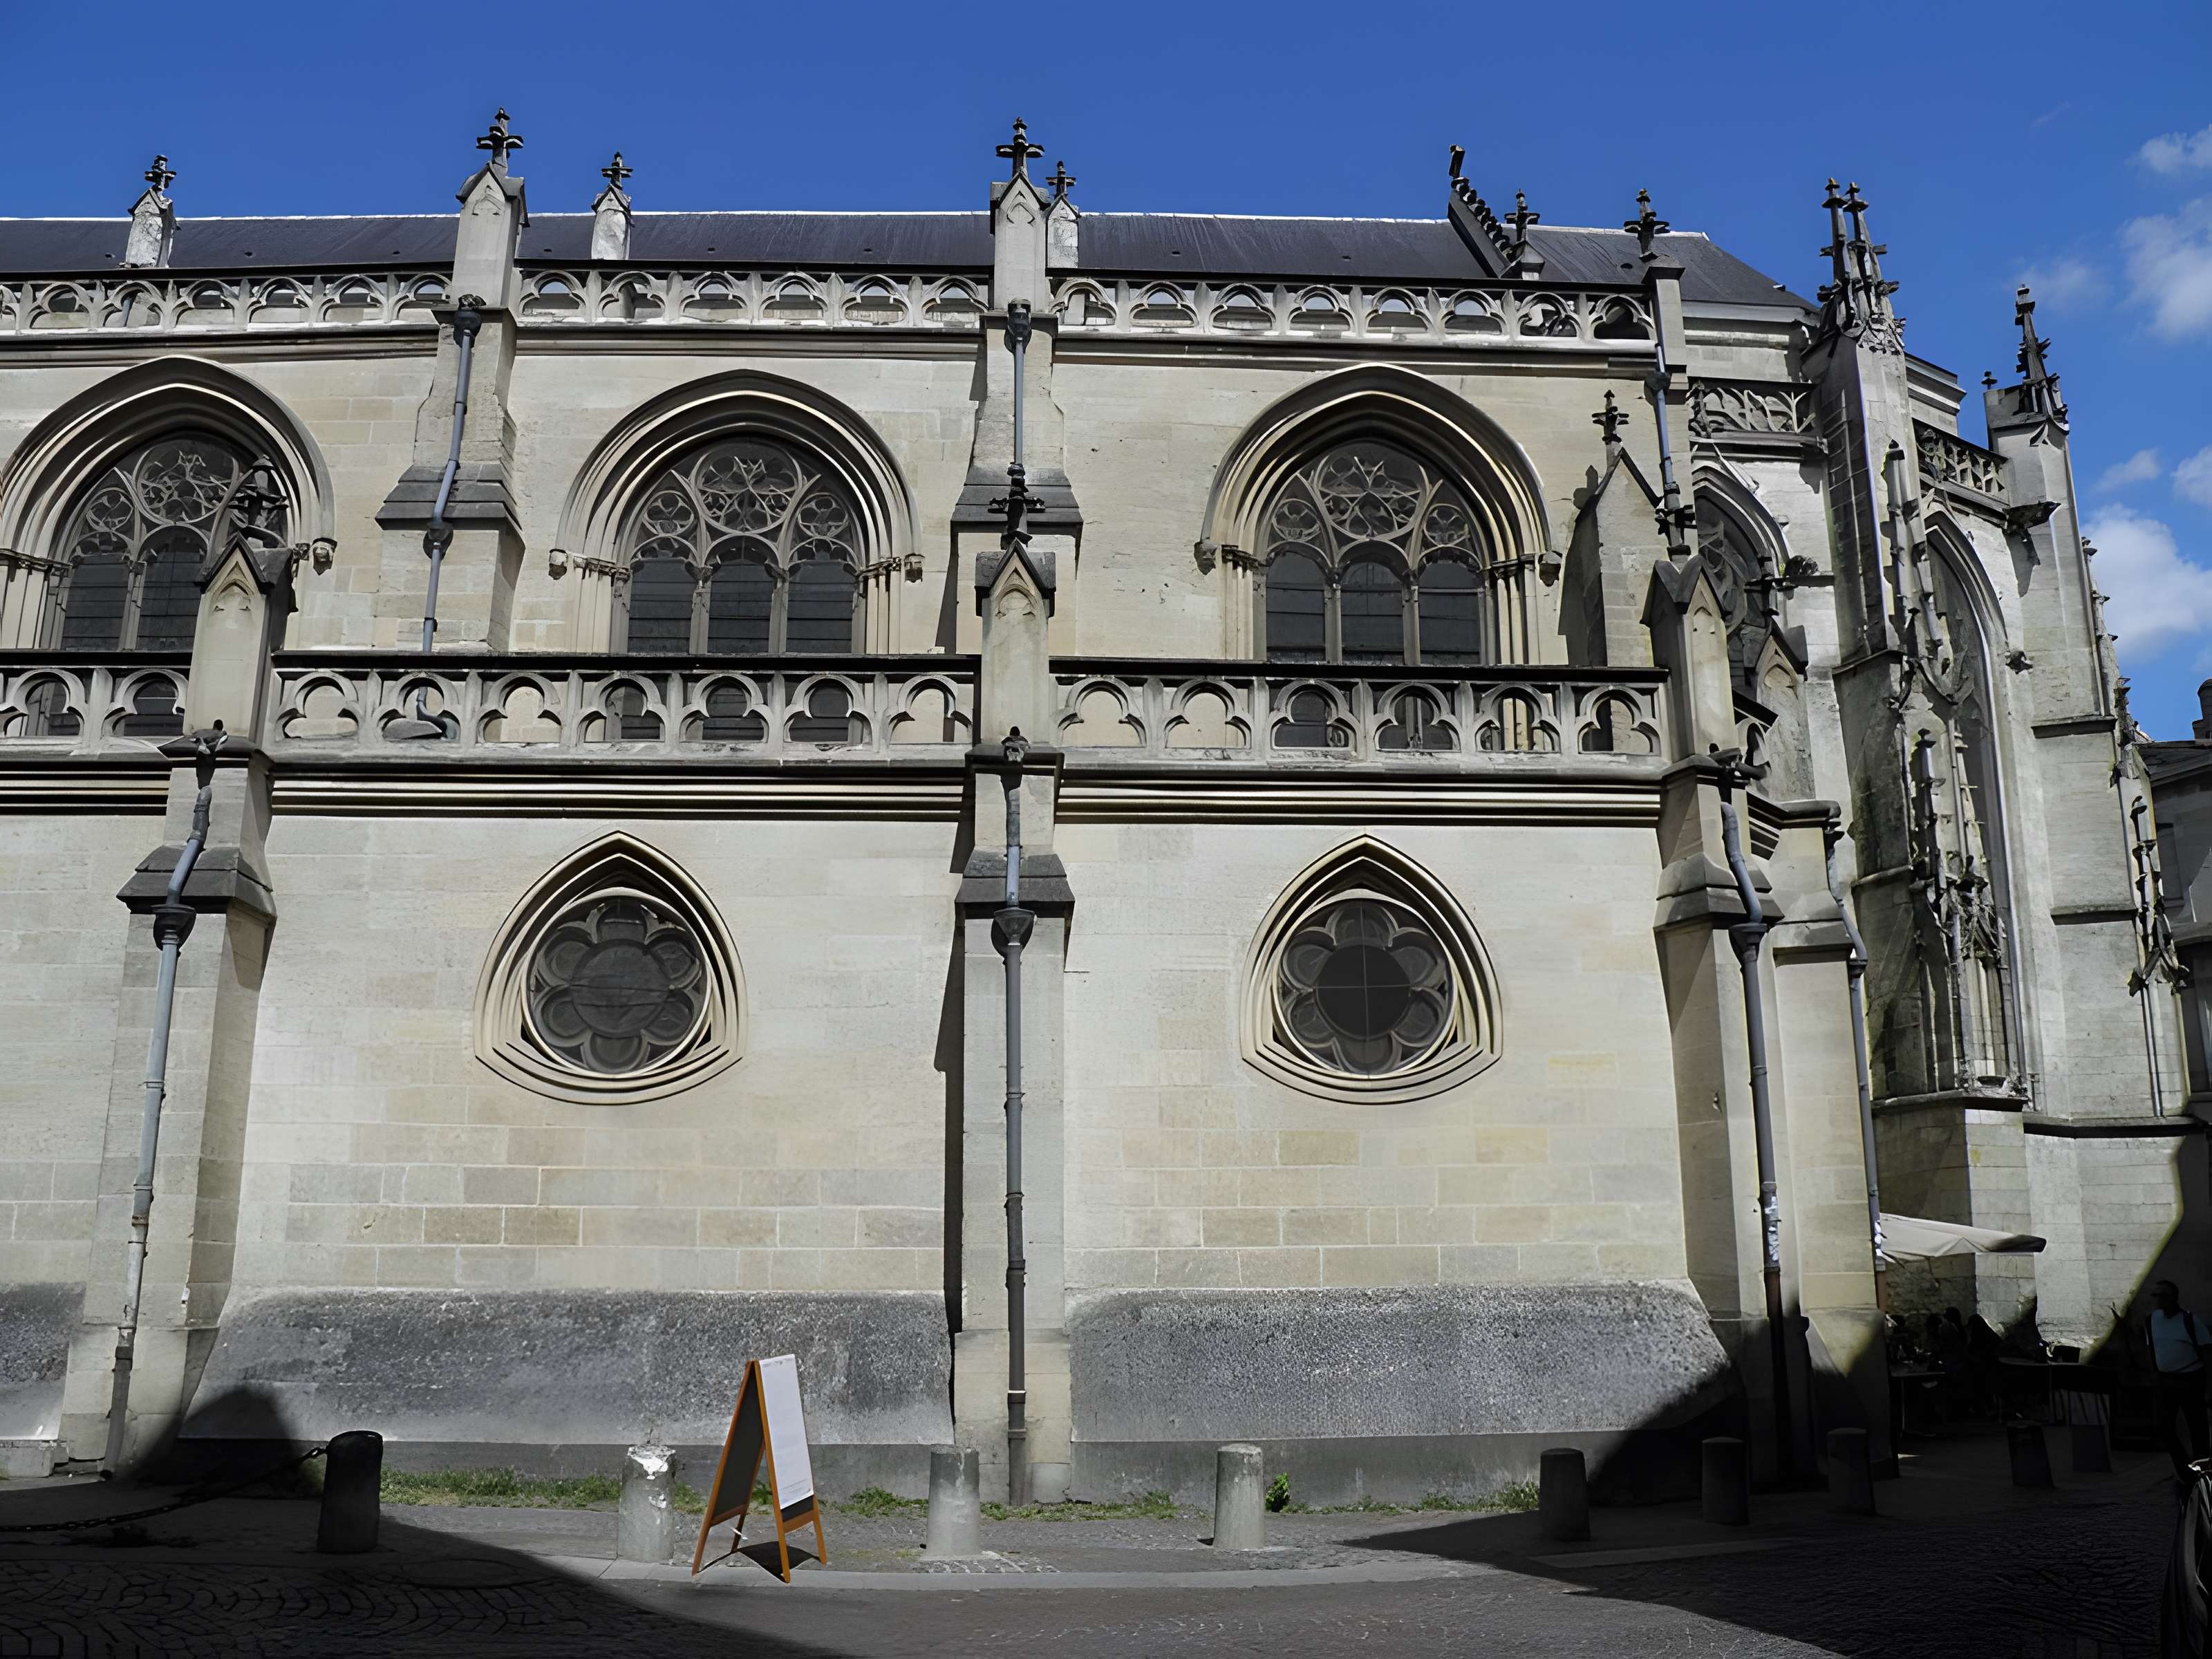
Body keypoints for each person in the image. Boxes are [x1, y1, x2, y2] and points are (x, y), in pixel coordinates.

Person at [2149, 1281, 2212, 1485]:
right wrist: (2155, 1374)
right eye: (2156, 1296)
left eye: (2164, 1296)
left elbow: (2206, 1354)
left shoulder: (2190, 1321)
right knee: (2164, 1428)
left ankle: (2204, 1474)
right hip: (2166, 1380)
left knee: (2197, 1429)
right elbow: (2153, 1348)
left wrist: (2209, 1387)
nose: (2160, 1300)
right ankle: (2187, 1471)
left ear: (2174, 1297)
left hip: (2191, 1379)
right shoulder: (2152, 1320)